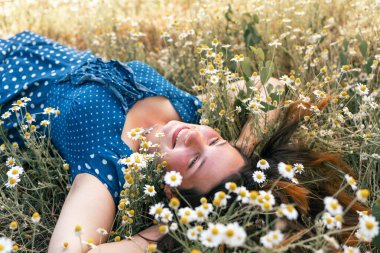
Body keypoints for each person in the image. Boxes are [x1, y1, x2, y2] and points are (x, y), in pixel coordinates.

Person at [0, 31, 369, 253]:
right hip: (29, 45)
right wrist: (243, 147)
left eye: (194, 162)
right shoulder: (190, 110)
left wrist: (175, 229)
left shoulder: (109, 163)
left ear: (171, 192)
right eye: (216, 141)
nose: (195, 136)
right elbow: (274, 90)